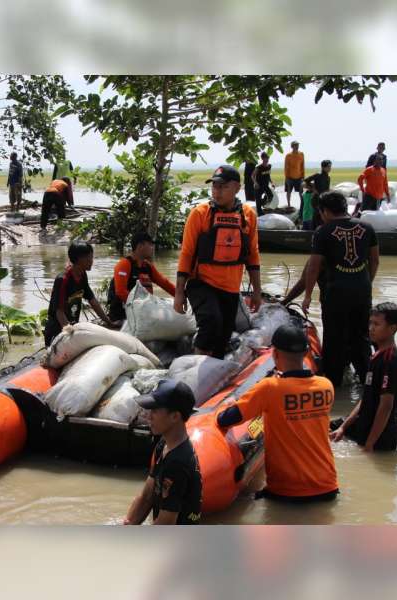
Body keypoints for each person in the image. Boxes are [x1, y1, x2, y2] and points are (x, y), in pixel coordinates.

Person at [216, 323, 339, 503]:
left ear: (274, 354)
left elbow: (226, 419)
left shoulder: (270, 388)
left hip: (288, 493)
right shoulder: (326, 386)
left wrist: (228, 403)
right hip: (328, 487)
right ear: (306, 354)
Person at [174, 164, 262, 358]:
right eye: (214, 186)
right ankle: (195, 375)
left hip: (230, 289)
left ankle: (215, 373)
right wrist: (179, 293)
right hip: (201, 283)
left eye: (222, 187)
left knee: (223, 338)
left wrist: (257, 291)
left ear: (237, 188)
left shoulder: (248, 216)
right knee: (210, 325)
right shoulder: (200, 214)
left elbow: (253, 255)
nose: (217, 191)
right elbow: (186, 254)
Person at [302, 191, 380, 387]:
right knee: (361, 336)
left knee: (334, 338)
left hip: (335, 293)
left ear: (324, 211)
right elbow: (375, 260)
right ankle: (367, 382)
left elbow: (314, 266)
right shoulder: (367, 227)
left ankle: (333, 387)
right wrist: (365, 282)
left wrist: (308, 295)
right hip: (362, 291)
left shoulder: (322, 231)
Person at [123, 379, 201, 525]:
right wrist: (128, 524)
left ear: (175, 417)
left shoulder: (178, 463)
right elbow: (146, 497)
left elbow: (166, 523)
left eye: (155, 411)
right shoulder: (164, 444)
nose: (148, 416)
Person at [330, 302, 397, 451]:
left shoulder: (390, 360)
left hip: (381, 435)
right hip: (365, 422)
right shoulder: (377, 355)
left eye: (377, 324)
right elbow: (367, 397)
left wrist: (370, 444)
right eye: (370, 323)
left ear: (392, 328)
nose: (371, 328)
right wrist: (343, 427)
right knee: (328, 427)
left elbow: (386, 406)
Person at [43, 241, 117, 346]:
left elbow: (93, 301)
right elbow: (59, 312)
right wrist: (69, 333)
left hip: (73, 325)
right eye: (89, 258)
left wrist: (108, 322)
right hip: (57, 330)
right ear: (79, 259)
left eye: (92, 258)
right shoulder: (63, 279)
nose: (92, 261)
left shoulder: (82, 275)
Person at [106, 231, 175, 322]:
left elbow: (164, 283)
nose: (152, 248)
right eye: (150, 245)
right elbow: (121, 292)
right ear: (140, 246)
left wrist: (182, 296)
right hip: (122, 316)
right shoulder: (124, 264)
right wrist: (142, 309)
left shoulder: (147, 266)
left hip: (142, 314)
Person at [304, 159, 333, 229]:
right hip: (316, 199)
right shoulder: (318, 175)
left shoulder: (328, 177)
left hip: (324, 199)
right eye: (328, 167)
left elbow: (327, 189)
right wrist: (313, 189)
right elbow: (306, 180)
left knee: (322, 216)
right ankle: (313, 231)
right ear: (323, 167)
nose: (330, 168)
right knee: (316, 215)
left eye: (330, 167)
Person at [284, 141, 305, 210]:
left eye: (297, 145)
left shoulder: (301, 154)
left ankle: (302, 205)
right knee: (289, 191)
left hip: (299, 177)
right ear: (292, 146)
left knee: (301, 192)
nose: (297, 146)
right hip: (290, 177)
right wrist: (286, 177)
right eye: (295, 145)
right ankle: (289, 205)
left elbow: (302, 165)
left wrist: (303, 176)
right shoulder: (288, 155)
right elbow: (286, 167)